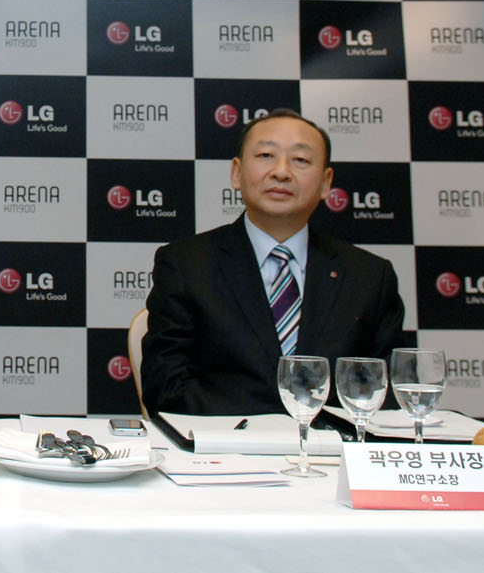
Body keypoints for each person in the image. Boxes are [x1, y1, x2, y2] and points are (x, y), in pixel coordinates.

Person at [142, 109, 405, 416]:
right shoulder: (186, 265)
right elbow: (166, 387)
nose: (281, 172)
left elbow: (386, 393)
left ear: (326, 182)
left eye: (300, 160)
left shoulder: (369, 276)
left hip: (331, 444)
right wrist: (272, 426)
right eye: (266, 155)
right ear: (237, 172)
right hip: (228, 443)